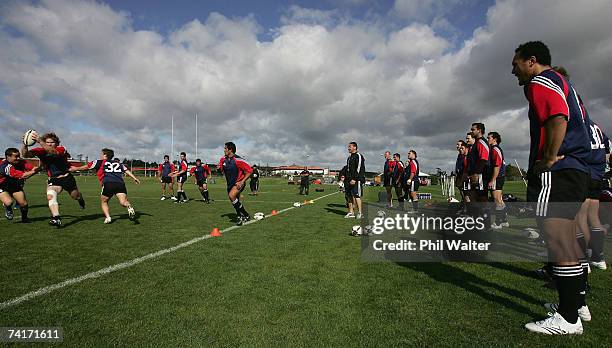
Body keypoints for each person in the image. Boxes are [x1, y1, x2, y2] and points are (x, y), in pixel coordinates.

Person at [512, 41, 592, 334]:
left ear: (531, 61)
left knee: (558, 239)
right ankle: (574, 306)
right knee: (567, 238)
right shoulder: (561, 80)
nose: (513, 70)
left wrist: (547, 159)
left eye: (515, 63)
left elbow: (558, 116)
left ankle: (569, 318)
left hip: (560, 169)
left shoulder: (540, 81)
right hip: (577, 168)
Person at [21, 132, 86, 227]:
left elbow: (52, 152)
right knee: (50, 196)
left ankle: (80, 199)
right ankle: (56, 218)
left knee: (75, 196)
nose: (49, 144)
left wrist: (40, 141)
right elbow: (26, 155)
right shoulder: (40, 150)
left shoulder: (61, 149)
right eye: (47, 142)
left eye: (52, 142)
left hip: (67, 177)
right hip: (54, 179)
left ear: (57, 143)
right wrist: (25, 144)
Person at [69, 148, 139, 224]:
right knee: (123, 202)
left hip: (108, 183)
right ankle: (129, 206)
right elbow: (126, 170)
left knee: (104, 201)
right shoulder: (118, 163)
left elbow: (86, 167)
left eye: (101, 154)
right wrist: (134, 178)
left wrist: (76, 168)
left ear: (105, 155)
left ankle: (108, 218)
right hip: (120, 184)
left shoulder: (99, 162)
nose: (100, 155)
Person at [0, 148, 39, 223]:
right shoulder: (5, 166)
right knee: (9, 202)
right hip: (2, 186)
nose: (18, 158)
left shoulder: (21, 162)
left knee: (23, 203)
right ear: (8, 157)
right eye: (16, 156)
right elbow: (23, 175)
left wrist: (38, 168)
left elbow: (31, 168)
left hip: (15, 186)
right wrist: (37, 170)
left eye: (18, 156)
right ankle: (8, 208)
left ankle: (24, 219)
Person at [219, 142, 252, 225]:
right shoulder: (222, 159)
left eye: (225, 148)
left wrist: (242, 181)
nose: (224, 150)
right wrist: (219, 169)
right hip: (229, 184)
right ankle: (243, 215)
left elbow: (249, 171)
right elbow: (221, 171)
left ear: (230, 150)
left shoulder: (238, 160)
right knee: (234, 200)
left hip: (238, 183)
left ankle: (243, 215)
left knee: (231, 196)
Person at [487, 132, 509, 229]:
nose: (487, 139)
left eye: (489, 138)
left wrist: (492, 180)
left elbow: (497, 165)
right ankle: (504, 221)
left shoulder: (495, 149)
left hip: (497, 177)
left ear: (494, 139)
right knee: (499, 199)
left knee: (496, 199)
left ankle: (498, 222)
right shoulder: (492, 149)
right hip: (498, 177)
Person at [345, 142, 365, 219]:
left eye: (350, 147)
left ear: (355, 147)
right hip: (349, 181)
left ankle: (360, 213)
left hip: (357, 180)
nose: (348, 148)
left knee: (357, 195)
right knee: (349, 196)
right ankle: (351, 212)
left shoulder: (359, 156)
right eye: (348, 147)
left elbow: (359, 168)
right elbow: (348, 169)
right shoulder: (349, 157)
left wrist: (354, 179)